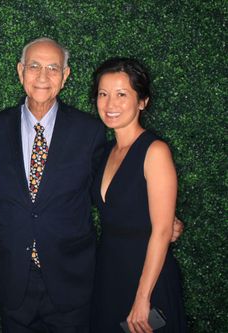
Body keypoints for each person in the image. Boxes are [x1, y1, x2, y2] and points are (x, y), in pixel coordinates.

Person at [0, 38, 184, 333]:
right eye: (34, 66)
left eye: (53, 68)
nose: (43, 76)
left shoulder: (91, 132)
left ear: (66, 76)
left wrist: (165, 224)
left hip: (73, 285)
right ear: (20, 71)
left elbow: (119, 192)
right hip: (14, 286)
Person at [90, 57, 186, 332]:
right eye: (103, 94)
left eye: (122, 94)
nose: (110, 105)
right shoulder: (106, 152)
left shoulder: (155, 151)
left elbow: (162, 231)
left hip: (148, 278)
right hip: (109, 273)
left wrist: (143, 298)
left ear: (142, 101)